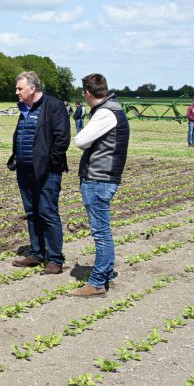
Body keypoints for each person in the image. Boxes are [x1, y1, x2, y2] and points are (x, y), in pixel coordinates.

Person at [71, 73, 130, 295]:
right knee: (103, 231)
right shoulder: (113, 108)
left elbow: (81, 140)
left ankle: (96, 283)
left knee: (101, 233)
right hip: (104, 177)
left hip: (99, 178)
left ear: (87, 93)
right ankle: (106, 277)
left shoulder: (105, 113)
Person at [8, 71, 71, 275]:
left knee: (48, 213)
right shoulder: (24, 109)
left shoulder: (53, 106)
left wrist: (49, 165)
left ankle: (55, 259)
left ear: (32, 88)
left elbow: (62, 139)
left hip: (47, 172)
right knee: (32, 212)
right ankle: (36, 253)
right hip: (25, 171)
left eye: (20, 88)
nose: (16, 92)